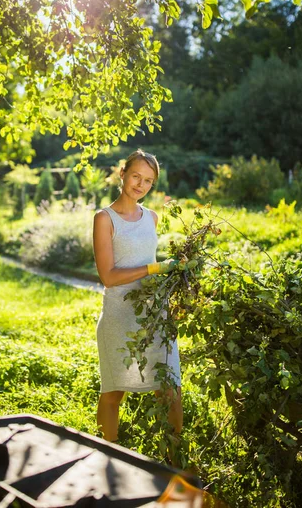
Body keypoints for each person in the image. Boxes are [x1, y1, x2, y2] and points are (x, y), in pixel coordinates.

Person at [93, 149, 182, 443]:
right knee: (113, 391)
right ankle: (109, 452)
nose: (141, 185)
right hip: (119, 315)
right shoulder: (104, 219)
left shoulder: (152, 217)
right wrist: (152, 268)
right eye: (136, 176)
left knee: (170, 387)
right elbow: (108, 276)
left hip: (155, 314)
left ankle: (174, 459)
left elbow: (153, 267)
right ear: (122, 173)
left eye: (148, 180)